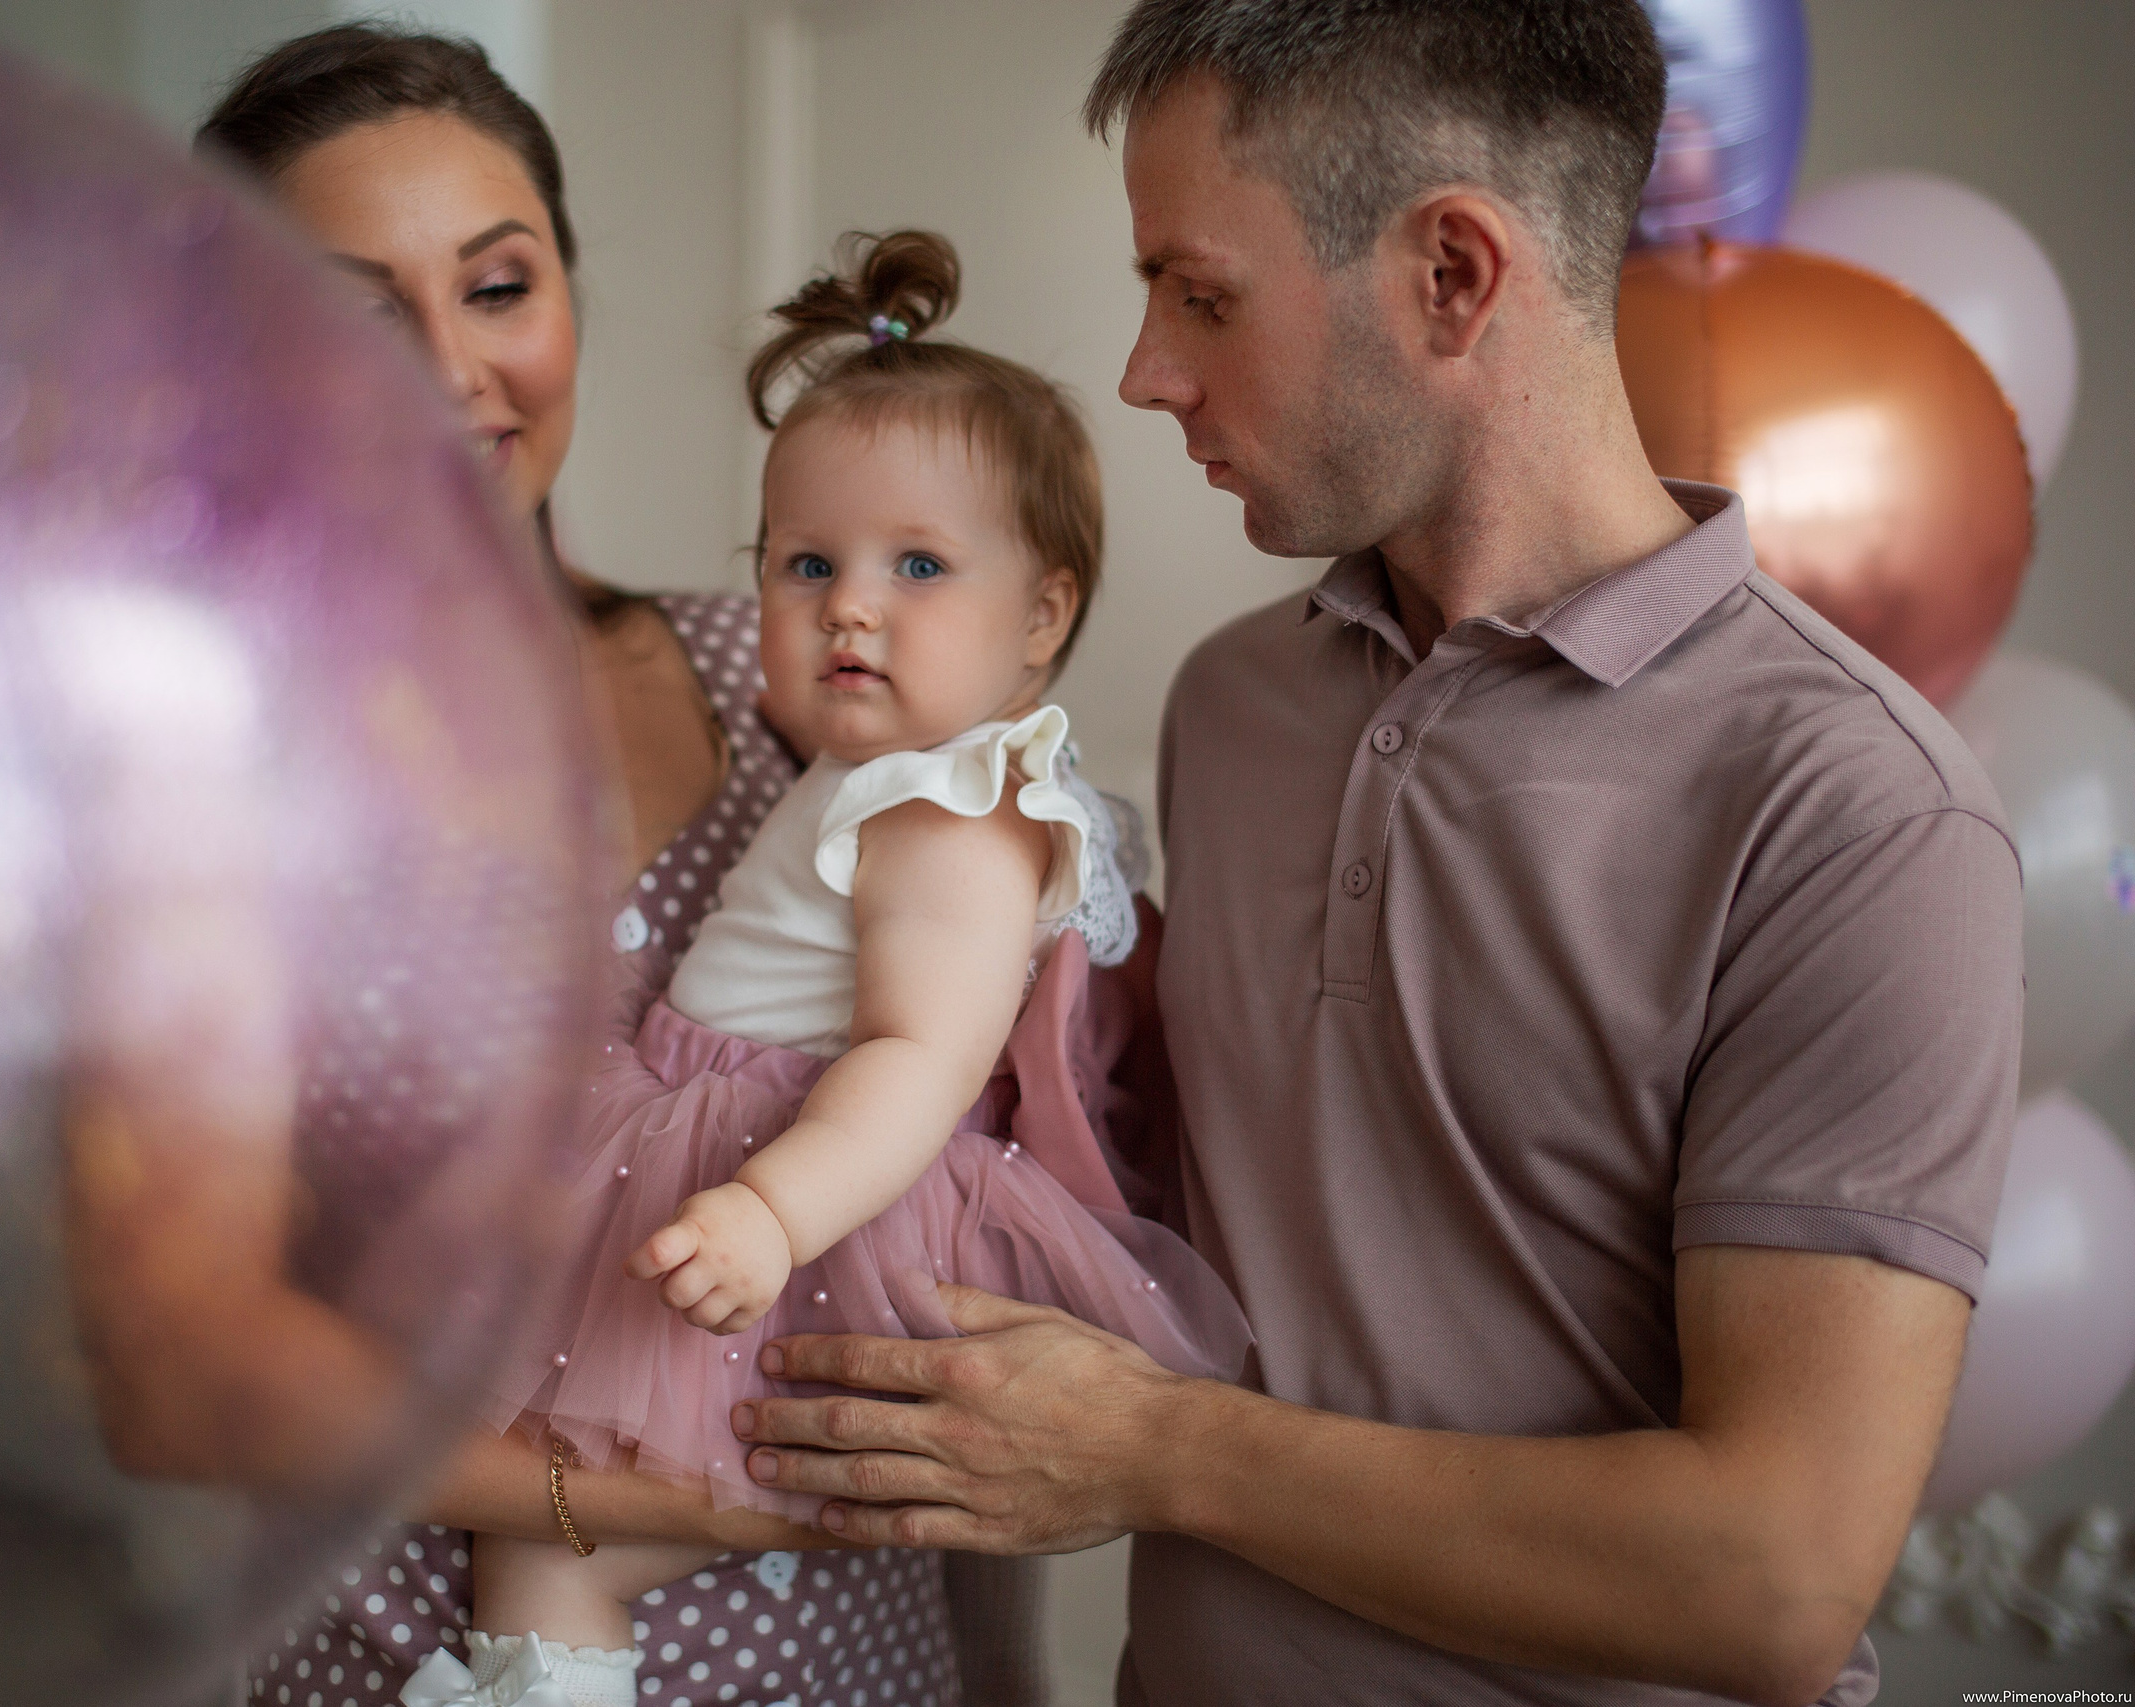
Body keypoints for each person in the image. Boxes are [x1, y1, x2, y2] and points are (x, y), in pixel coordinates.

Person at [731, 4, 2026, 1706]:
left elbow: (1770, 1581)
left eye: (1200, 294)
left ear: (1452, 277)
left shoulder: (1858, 810)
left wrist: (1155, 1454)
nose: (1144, 370)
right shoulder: (1235, 709)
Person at [176, 28, 1062, 1707]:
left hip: (855, 1666)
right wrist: (651, 1499)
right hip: (399, 1658)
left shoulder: (796, 676)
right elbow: (185, 1378)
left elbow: (975, 1111)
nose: (452, 371)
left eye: (497, 286)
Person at [411, 231, 1251, 1707]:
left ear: (1041, 616)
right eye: (807, 565)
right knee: (544, 1531)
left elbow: (918, 1059)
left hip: (812, 1188)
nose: (848, 606)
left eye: (918, 565)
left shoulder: (949, 807)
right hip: (725, 1154)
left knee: (555, 1540)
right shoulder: (877, 767)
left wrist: (764, 1211)